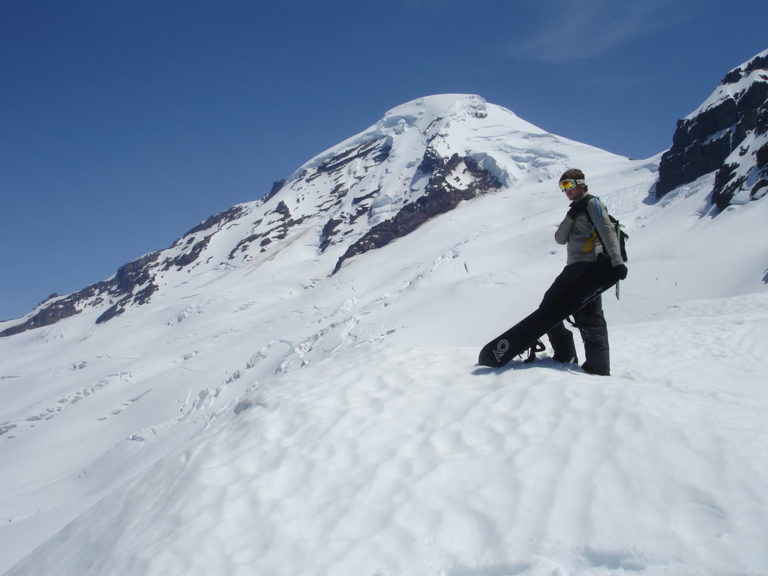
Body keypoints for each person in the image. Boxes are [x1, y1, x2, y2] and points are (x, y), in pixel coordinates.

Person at [540, 168, 628, 375]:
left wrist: (617, 262)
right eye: (563, 187)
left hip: (590, 269)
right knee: (547, 308)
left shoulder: (592, 204)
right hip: (573, 269)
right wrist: (571, 216)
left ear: (580, 183)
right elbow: (560, 239)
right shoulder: (576, 209)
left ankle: (598, 369)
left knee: (590, 318)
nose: (566, 191)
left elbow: (607, 231)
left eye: (568, 185)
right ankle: (565, 355)